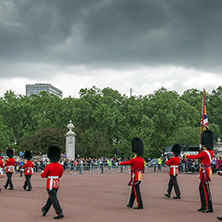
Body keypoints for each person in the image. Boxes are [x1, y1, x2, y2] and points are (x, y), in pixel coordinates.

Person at [185, 128, 214, 213]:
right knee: (201, 188)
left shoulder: (205, 152)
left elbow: (195, 157)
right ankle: (204, 205)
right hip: (205, 170)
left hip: (205, 172)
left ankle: (208, 207)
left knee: (205, 189)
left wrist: (186, 156)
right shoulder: (210, 151)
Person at [120, 137, 144, 209]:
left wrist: (120, 163)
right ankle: (130, 203)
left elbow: (127, 163)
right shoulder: (142, 160)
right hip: (139, 175)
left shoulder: (134, 160)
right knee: (134, 190)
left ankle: (140, 205)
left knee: (136, 190)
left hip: (135, 176)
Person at [41, 145, 64, 219]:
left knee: (53, 198)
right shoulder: (60, 166)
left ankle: (59, 212)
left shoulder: (48, 166)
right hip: (57, 183)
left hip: (50, 183)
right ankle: (45, 209)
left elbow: (43, 175)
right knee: (51, 197)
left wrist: (43, 172)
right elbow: (60, 175)